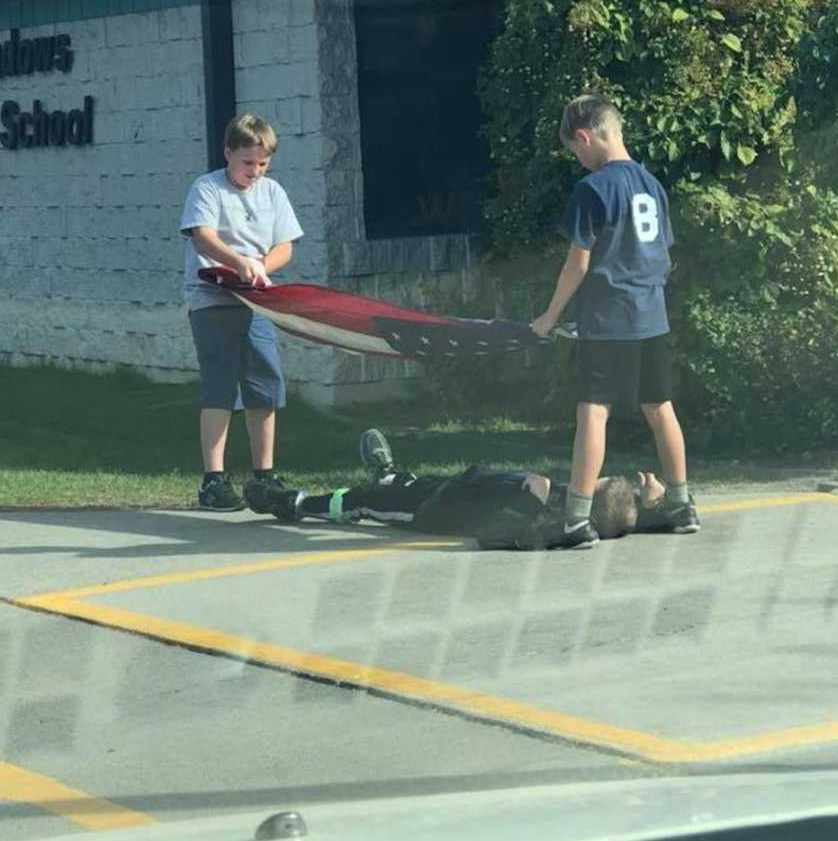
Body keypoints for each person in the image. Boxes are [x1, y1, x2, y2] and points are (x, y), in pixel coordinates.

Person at [530, 94, 699, 548]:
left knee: (593, 411)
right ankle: (682, 505)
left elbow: (577, 264)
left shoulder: (593, 189)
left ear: (585, 137)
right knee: (660, 407)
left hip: (608, 321)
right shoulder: (652, 185)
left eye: (576, 151)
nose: (579, 161)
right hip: (652, 317)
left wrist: (548, 318)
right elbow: (663, 256)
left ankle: (576, 519)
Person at [242, 429, 681, 549]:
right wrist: (652, 504)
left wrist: (535, 498)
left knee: (360, 503)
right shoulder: (582, 509)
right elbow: (620, 522)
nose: (584, 480)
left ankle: (293, 503)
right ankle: (390, 474)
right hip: (455, 486)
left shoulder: (545, 519)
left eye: (593, 483)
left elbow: (495, 536)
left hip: (431, 510)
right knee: (398, 484)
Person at [180, 114, 303, 511]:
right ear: (228, 152)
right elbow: (203, 236)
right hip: (211, 298)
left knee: (265, 384)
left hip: (256, 300)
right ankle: (213, 481)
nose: (255, 171)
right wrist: (238, 262)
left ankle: (264, 478)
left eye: (263, 164)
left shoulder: (272, 192)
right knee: (221, 385)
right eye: (247, 163)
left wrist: (263, 266)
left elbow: (286, 245)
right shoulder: (207, 188)